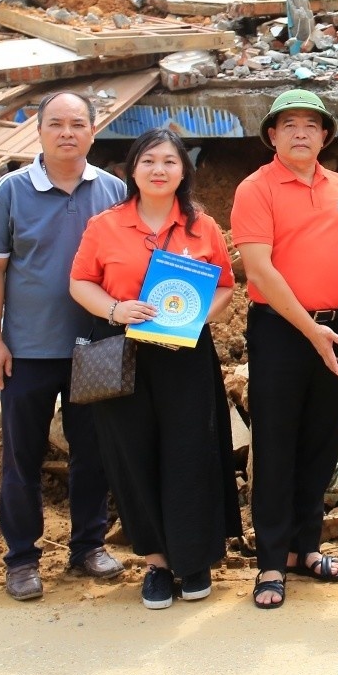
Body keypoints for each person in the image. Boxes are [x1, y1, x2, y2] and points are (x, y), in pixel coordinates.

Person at [69, 128, 239, 610]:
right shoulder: (105, 225)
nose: (159, 170)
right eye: (148, 161)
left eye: (169, 161)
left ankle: (194, 559)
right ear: (132, 170)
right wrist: (115, 309)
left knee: (191, 453)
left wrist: (196, 316)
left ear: (184, 171)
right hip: (122, 354)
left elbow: (225, 285)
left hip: (185, 356)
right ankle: (158, 564)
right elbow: (80, 282)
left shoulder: (202, 227)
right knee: (132, 454)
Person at [0, 90, 127, 602]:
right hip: (27, 350)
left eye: (77, 124)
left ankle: (88, 546)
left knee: (94, 454)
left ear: (93, 132)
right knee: (23, 457)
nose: (67, 133)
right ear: (38, 132)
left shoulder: (112, 189)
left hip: (95, 347)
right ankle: (21, 558)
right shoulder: (10, 190)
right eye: (56, 124)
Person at [232, 90, 338, 609]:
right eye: (289, 125)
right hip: (281, 332)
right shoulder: (255, 189)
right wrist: (310, 330)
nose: (301, 132)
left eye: (311, 124)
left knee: (321, 440)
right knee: (277, 444)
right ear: (272, 136)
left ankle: (306, 548)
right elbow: (259, 270)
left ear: (325, 136)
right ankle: (270, 561)